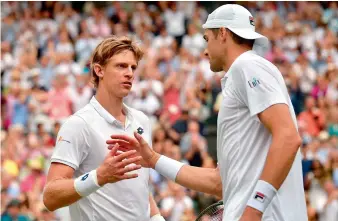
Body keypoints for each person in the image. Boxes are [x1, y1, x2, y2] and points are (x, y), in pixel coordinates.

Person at [108, 4, 307, 221]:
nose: (204, 50)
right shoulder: (243, 74)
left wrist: (253, 210)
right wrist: (154, 159)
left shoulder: (247, 66)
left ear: (222, 33)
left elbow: (288, 137)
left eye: (206, 39)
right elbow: (218, 182)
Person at [43, 36, 165, 221]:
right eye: (121, 66)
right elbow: (50, 197)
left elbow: (138, 187)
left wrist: (157, 218)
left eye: (133, 67)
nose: (130, 73)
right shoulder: (78, 124)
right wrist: (99, 176)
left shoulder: (142, 120)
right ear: (99, 70)